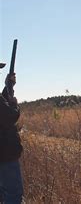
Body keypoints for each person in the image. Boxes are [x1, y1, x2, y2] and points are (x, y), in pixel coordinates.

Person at [0, 65, 23, 204]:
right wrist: (15, 105)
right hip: (4, 154)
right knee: (13, 194)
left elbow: (2, 104)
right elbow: (8, 116)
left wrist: (8, 86)